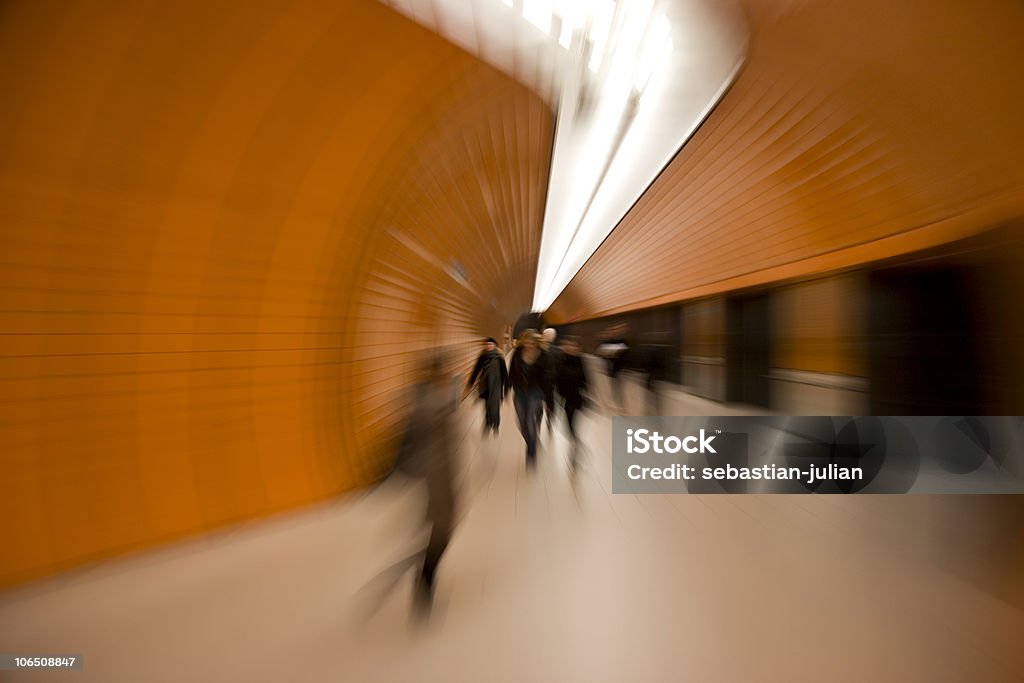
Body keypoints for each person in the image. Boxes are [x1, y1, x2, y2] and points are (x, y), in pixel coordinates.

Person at [393, 351, 457, 616]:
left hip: (442, 472)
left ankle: (425, 573)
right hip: (436, 474)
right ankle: (425, 578)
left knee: (443, 525)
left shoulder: (429, 397)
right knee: (443, 527)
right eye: (445, 371)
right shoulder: (431, 401)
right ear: (436, 374)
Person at [507, 329, 548, 470]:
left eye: (532, 341)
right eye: (527, 341)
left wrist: (547, 397)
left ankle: (531, 452)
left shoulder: (543, 355)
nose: (529, 344)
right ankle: (533, 441)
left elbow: (547, 377)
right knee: (521, 422)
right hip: (519, 392)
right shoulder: (517, 353)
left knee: (530, 420)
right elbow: (512, 371)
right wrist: (507, 387)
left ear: (536, 341)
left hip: (535, 392)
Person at [556, 335, 589, 472]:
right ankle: (576, 442)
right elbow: (556, 380)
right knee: (567, 427)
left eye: (574, 346)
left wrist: (588, 393)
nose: (571, 348)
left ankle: (575, 448)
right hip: (565, 399)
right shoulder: (560, 360)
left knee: (573, 424)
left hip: (576, 398)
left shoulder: (580, 361)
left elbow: (585, 379)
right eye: (568, 345)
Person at [465, 337, 508, 435]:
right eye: (487, 344)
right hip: (485, 385)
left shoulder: (499, 357)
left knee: (495, 406)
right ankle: (488, 424)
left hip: (496, 386)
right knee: (487, 406)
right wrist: (470, 383)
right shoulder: (482, 356)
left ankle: (496, 424)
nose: (488, 346)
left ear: (495, 345)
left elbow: (504, 373)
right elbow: (476, 370)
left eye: (490, 344)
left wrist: (506, 387)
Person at [540, 327, 563, 432]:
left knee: (540, 399)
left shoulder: (538, 348)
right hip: (552, 381)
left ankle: (539, 418)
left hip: (540, 381)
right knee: (550, 400)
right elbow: (560, 367)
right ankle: (549, 418)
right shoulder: (558, 350)